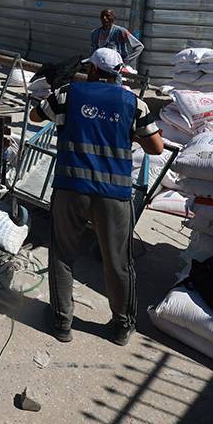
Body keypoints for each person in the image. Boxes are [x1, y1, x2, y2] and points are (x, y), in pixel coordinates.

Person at [31, 48, 163, 347]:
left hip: (70, 188)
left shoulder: (66, 94)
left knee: (63, 256)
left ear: (91, 70)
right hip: (113, 194)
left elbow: (34, 116)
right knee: (118, 262)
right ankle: (121, 326)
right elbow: (156, 148)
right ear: (118, 73)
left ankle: (62, 321)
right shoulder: (133, 103)